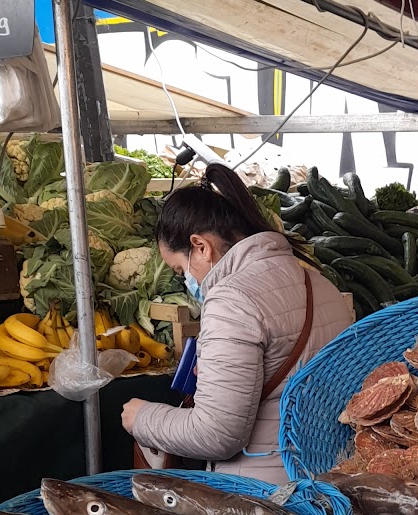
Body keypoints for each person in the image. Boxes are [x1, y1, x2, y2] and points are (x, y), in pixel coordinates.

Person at [120, 164, 350, 482]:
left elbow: (217, 433)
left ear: (201, 247)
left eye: (179, 270)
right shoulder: (319, 282)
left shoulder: (231, 300)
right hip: (328, 476)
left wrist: (142, 418)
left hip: (266, 493)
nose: (187, 280)